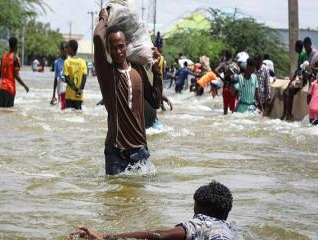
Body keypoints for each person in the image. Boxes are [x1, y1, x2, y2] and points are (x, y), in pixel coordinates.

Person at [94, 8, 162, 175]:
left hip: (140, 149)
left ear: (126, 46)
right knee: (115, 198)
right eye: (113, 48)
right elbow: (97, 37)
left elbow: (154, 101)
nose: (118, 51)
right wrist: (103, 18)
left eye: (121, 46)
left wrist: (157, 72)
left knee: (140, 199)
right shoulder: (107, 73)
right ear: (108, 50)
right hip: (115, 152)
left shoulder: (138, 70)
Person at [72, 181, 237, 240]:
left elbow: (156, 235)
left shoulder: (201, 223)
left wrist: (106, 237)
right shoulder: (230, 230)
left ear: (201, 211)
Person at [0, 37, 29, 108]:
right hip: (9, 89)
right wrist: (25, 86)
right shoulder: (16, 59)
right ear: (16, 45)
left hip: (2, 88)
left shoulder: (3, 56)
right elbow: (16, 76)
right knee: (9, 112)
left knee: (2, 111)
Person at [281, 40, 310, 120]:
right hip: (298, 77)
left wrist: (295, 79)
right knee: (285, 92)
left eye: (295, 47)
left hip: (301, 79)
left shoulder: (303, 55)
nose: (294, 48)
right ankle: (285, 113)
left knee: (289, 91)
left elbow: (303, 70)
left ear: (297, 47)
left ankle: (288, 114)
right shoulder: (301, 54)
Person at [63, 39, 88, 110]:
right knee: (78, 116)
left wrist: (76, 89)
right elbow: (84, 77)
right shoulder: (83, 62)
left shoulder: (67, 62)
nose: (66, 49)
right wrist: (80, 89)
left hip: (69, 95)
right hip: (79, 96)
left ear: (71, 48)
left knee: (69, 117)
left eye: (67, 47)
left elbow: (67, 79)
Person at [51, 42, 69, 109]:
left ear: (67, 49)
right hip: (61, 83)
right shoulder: (57, 62)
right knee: (61, 105)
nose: (63, 50)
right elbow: (55, 77)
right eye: (61, 49)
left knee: (68, 105)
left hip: (69, 83)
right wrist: (53, 95)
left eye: (64, 48)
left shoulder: (70, 60)